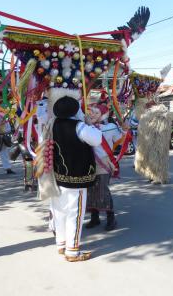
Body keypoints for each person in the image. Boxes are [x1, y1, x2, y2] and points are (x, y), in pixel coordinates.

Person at [50, 96, 102, 262]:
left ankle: (61, 244)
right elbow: (97, 139)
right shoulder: (79, 126)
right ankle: (72, 251)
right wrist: (89, 124)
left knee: (59, 211)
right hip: (76, 177)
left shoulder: (53, 124)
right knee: (75, 213)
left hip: (58, 176)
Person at [86, 104, 122, 231]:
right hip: (89, 162)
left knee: (103, 190)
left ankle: (111, 218)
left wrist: (123, 129)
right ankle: (94, 217)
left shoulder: (110, 127)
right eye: (91, 113)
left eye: (96, 113)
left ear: (103, 114)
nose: (92, 115)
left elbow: (120, 140)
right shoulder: (87, 127)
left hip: (104, 162)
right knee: (90, 190)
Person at [134, 103, 171, 184]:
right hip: (148, 141)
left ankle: (159, 177)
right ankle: (151, 175)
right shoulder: (147, 114)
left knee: (156, 158)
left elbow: (160, 128)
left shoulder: (161, 113)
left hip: (157, 142)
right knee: (148, 158)